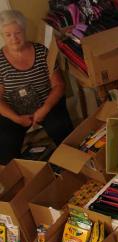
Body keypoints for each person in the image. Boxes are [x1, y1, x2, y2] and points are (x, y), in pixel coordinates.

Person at [0, 9, 73, 165]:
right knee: (5, 149)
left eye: (17, 32)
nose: (14, 38)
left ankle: (71, 166)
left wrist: (45, 109)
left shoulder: (41, 52)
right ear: (2, 36)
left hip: (46, 105)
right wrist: (16, 118)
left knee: (63, 133)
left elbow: (59, 85)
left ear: (24, 31)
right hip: (15, 112)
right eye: (8, 35)